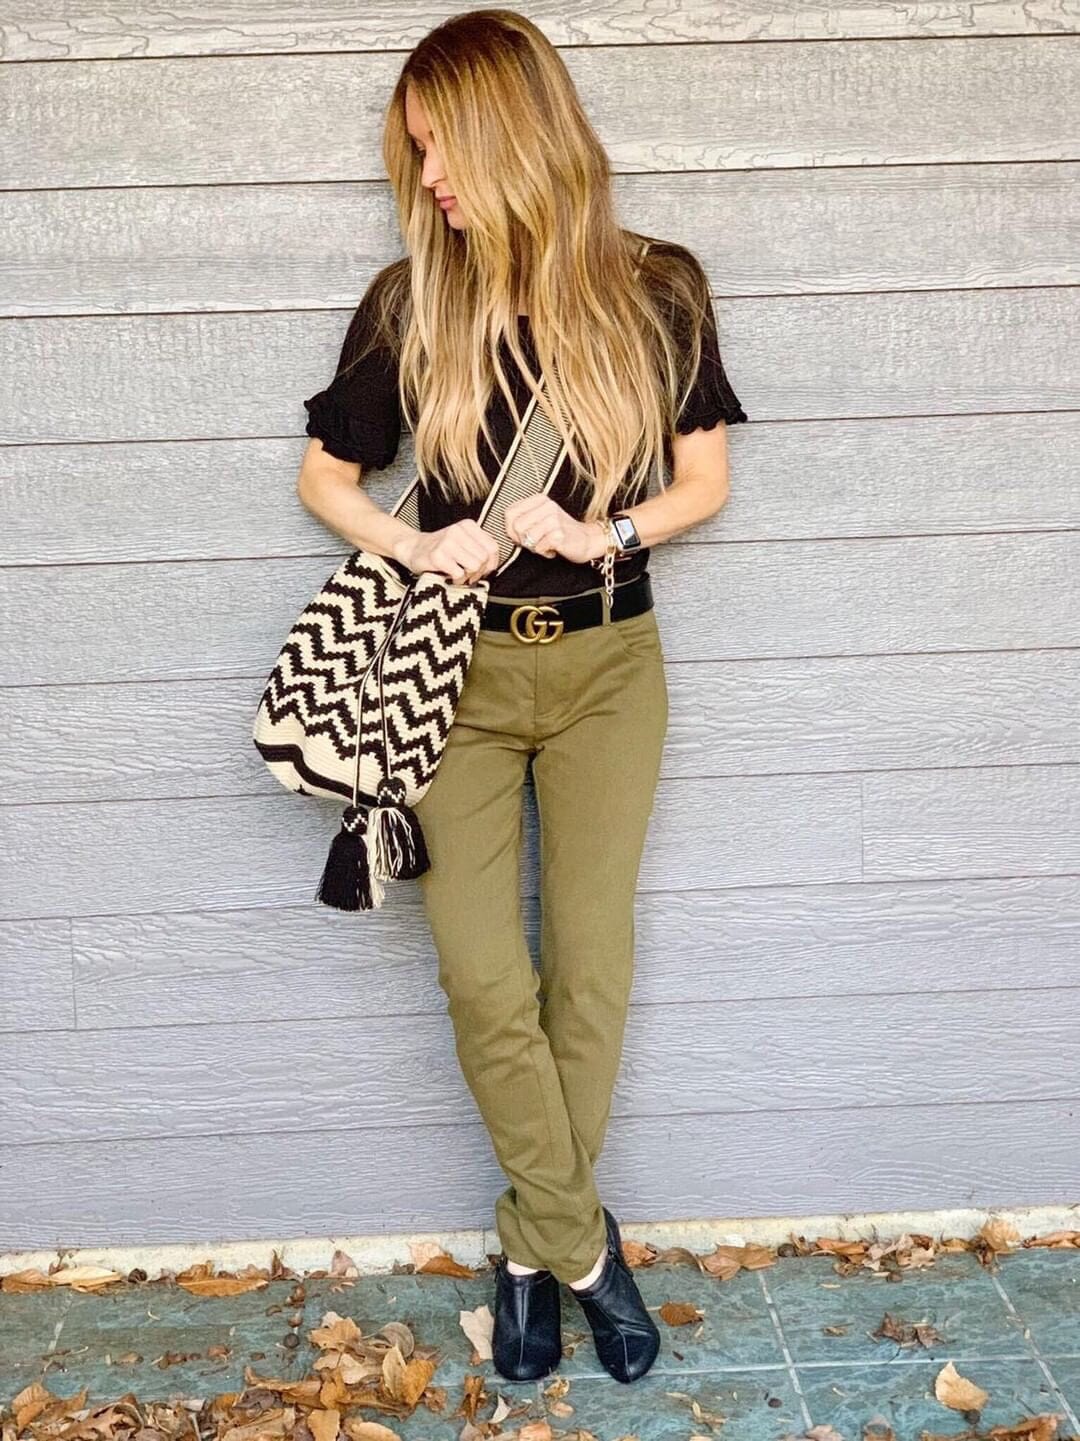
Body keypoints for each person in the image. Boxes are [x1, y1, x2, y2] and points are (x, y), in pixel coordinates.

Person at [296, 7, 748, 1387]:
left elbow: (705, 482)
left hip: (610, 667)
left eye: (445, 145)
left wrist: (608, 531)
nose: (428, 175)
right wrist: (416, 541)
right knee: (483, 973)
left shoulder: (656, 288)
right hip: (459, 677)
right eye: (417, 150)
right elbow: (324, 479)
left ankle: (522, 1250)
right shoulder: (411, 303)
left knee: (590, 967)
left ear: (515, 131)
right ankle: (581, 1250)